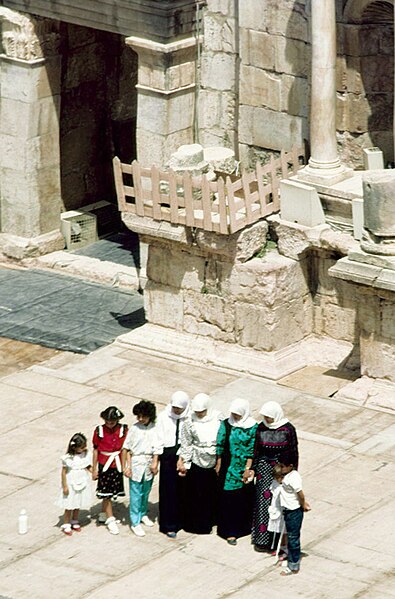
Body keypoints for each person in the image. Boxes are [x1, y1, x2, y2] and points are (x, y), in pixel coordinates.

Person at [246, 401, 298, 552]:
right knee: (263, 503)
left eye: (269, 417)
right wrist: (253, 469)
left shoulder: (288, 429)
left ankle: (276, 542)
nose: (267, 419)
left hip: (281, 470)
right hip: (264, 468)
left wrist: (291, 473)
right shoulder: (261, 428)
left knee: (278, 505)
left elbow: (293, 452)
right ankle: (262, 540)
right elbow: (256, 450)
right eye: (265, 416)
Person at [177, 393, 222, 534]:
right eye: (197, 412)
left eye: (202, 412)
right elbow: (186, 443)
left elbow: (222, 440)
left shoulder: (218, 419)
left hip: (214, 461)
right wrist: (183, 460)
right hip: (197, 460)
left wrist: (219, 460)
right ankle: (197, 524)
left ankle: (212, 520)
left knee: (212, 493)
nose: (199, 414)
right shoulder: (189, 422)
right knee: (197, 495)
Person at [216, 398, 257, 546]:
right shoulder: (226, 424)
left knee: (242, 498)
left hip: (243, 467)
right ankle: (229, 531)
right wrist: (219, 462)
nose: (236, 417)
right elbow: (220, 444)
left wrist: (248, 468)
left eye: (238, 414)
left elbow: (252, 449)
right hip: (228, 466)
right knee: (228, 498)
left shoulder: (252, 427)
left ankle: (242, 528)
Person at [122, 400, 160, 537]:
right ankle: (135, 522)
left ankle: (143, 513)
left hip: (149, 462)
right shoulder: (134, 429)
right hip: (136, 462)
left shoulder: (155, 428)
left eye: (143, 416)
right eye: (138, 416)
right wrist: (127, 467)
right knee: (135, 494)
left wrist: (155, 463)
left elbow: (158, 447)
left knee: (146, 491)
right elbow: (126, 448)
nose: (140, 419)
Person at [156, 390, 190, 538]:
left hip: (183, 455)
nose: (176, 410)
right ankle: (168, 524)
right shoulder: (163, 417)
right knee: (168, 491)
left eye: (179, 408)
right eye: (175, 407)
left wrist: (182, 458)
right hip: (167, 455)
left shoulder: (189, 418)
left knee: (183, 490)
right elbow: (158, 438)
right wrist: (155, 460)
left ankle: (182, 520)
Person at [92, 406, 128, 535]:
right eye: (107, 421)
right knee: (106, 492)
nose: (109, 424)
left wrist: (125, 466)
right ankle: (110, 518)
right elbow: (95, 450)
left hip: (117, 464)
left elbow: (126, 449)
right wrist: (94, 469)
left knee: (112, 491)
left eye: (112, 421)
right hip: (104, 464)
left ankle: (104, 513)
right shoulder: (99, 431)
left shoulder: (124, 430)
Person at [278, 455, 311, 575]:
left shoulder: (294, 478)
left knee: (293, 539)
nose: (280, 468)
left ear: (290, 466)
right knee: (291, 537)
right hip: (287, 509)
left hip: (294, 511)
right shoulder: (287, 476)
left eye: (282, 466)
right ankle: (291, 558)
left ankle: (293, 565)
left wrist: (303, 504)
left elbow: (300, 494)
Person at [56, 432, 92, 535]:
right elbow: (63, 472)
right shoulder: (67, 458)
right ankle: (66, 523)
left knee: (78, 502)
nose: (84, 448)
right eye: (82, 447)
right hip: (71, 481)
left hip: (82, 480)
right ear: (75, 447)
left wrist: (93, 472)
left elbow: (87, 466)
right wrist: (65, 486)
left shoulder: (85, 455)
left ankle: (75, 520)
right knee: (69, 504)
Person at [268, 464, 287, 559]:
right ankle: (279, 548)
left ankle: (285, 549)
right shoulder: (275, 483)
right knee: (278, 530)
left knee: (284, 532)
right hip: (276, 508)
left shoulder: (285, 485)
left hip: (283, 510)